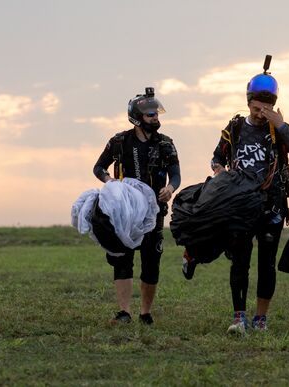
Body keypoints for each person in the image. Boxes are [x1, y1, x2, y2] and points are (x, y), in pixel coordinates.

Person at [210, 59, 289, 334]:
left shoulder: (278, 129)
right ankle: (238, 318)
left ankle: (260, 320)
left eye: (265, 109)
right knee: (240, 261)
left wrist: (282, 125)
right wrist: (219, 171)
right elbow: (217, 157)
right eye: (255, 108)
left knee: (267, 263)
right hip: (240, 207)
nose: (259, 114)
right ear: (248, 102)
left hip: (272, 206)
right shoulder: (235, 128)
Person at [93, 87, 181, 325]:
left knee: (152, 263)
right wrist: (109, 182)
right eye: (150, 115)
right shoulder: (119, 142)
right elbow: (98, 167)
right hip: (125, 214)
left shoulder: (166, 144)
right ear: (137, 117)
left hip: (154, 214)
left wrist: (170, 189)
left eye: (157, 114)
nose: (155, 118)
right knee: (122, 260)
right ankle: (124, 312)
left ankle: (145, 312)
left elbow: (176, 175)